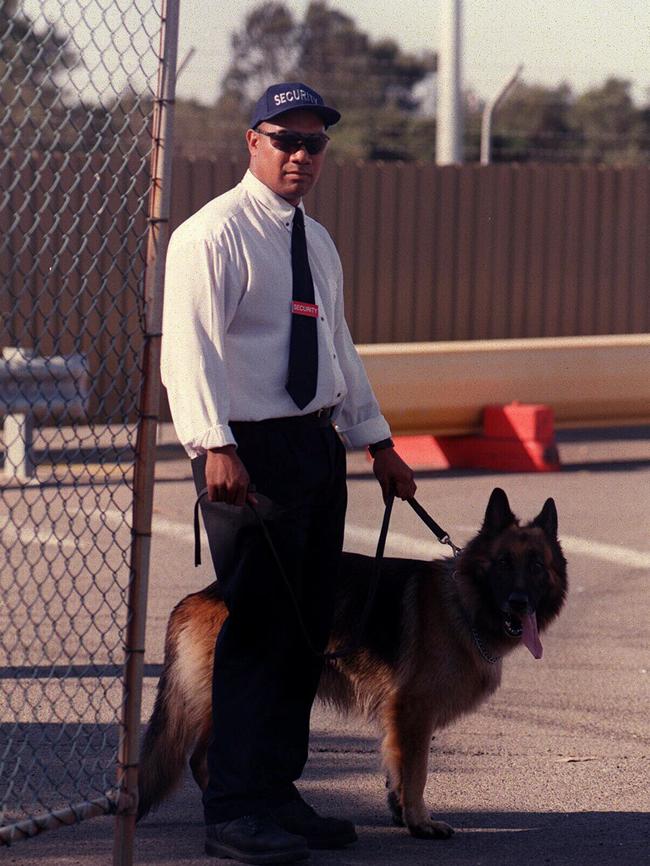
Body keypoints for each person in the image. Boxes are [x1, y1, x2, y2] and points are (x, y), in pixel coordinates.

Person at [161, 81, 416, 865]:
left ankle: (275, 791)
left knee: (307, 632)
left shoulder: (316, 240)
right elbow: (190, 349)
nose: (302, 156)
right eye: (287, 141)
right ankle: (234, 807)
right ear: (253, 142)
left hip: (314, 448)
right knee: (257, 630)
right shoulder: (213, 235)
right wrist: (213, 446)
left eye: (315, 145)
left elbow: (338, 348)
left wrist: (375, 443)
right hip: (247, 455)